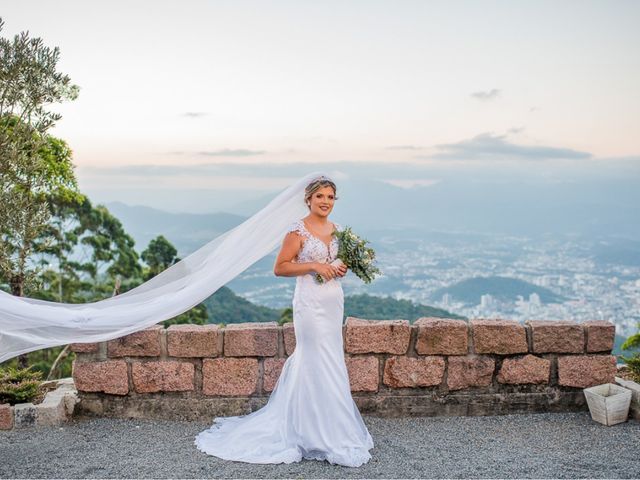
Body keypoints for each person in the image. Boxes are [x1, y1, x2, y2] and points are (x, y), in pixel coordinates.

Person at [194, 176, 375, 467]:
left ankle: (333, 426)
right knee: (313, 357)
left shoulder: (339, 230)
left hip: (332, 301)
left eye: (330, 197)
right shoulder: (297, 230)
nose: (325, 201)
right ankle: (309, 431)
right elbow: (280, 267)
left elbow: (339, 263)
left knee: (332, 358)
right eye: (320, 197)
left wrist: (340, 267)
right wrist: (315, 265)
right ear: (308, 199)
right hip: (309, 303)